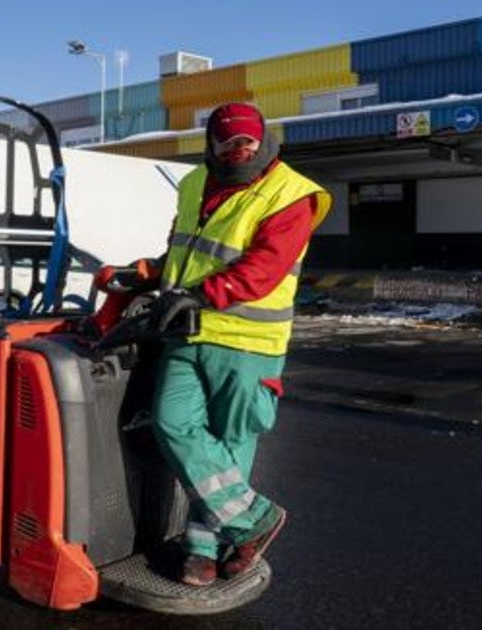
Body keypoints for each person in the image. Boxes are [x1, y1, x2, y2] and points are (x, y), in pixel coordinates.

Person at [147, 102, 332, 586]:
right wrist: (147, 273)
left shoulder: (293, 194)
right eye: (229, 142)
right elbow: (183, 250)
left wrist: (196, 296)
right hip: (188, 329)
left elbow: (264, 268)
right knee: (171, 421)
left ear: (263, 139)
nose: (241, 149)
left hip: (249, 340)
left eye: (248, 140)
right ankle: (255, 521)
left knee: (229, 447)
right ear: (212, 144)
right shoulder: (193, 184)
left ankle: (203, 549)